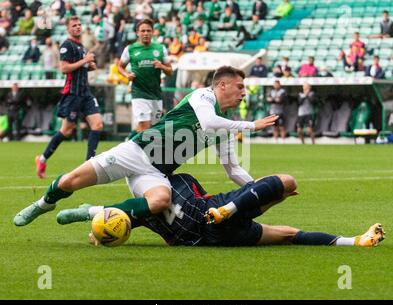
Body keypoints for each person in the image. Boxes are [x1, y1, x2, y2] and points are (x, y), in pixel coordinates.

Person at [13, 66, 279, 227]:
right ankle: (44, 203)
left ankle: (92, 212)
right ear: (222, 85)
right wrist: (251, 125)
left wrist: (259, 187)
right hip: (135, 153)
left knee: (160, 201)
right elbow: (207, 123)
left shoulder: (227, 126)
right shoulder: (203, 96)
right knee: (70, 181)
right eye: (240, 86)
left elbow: (233, 170)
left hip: (156, 173)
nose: (244, 92)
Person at [56, 172, 385, 248]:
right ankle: (353, 241)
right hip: (215, 213)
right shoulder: (178, 181)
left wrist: (98, 228)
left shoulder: (140, 209)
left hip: (211, 238)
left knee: (287, 235)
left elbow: (118, 218)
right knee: (285, 181)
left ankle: (356, 241)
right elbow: (118, 216)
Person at [34, 15, 103, 179]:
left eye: (79, 25)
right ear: (68, 28)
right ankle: (42, 159)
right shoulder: (67, 45)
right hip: (72, 93)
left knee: (97, 125)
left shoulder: (82, 46)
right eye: (74, 25)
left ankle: (89, 162)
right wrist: (85, 60)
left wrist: (90, 66)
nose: (78, 27)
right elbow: (64, 68)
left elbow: (81, 68)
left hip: (85, 92)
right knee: (66, 130)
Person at [117, 19, 173, 138]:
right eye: (143, 31)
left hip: (155, 94)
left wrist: (161, 66)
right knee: (145, 127)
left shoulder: (160, 48)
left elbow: (170, 71)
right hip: (139, 93)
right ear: (137, 32)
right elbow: (120, 67)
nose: (146, 33)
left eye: (148, 30)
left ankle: (130, 142)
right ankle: (144, 155)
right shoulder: (130, 49)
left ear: (153, 32)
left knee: (153, 128)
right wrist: (127, 75)